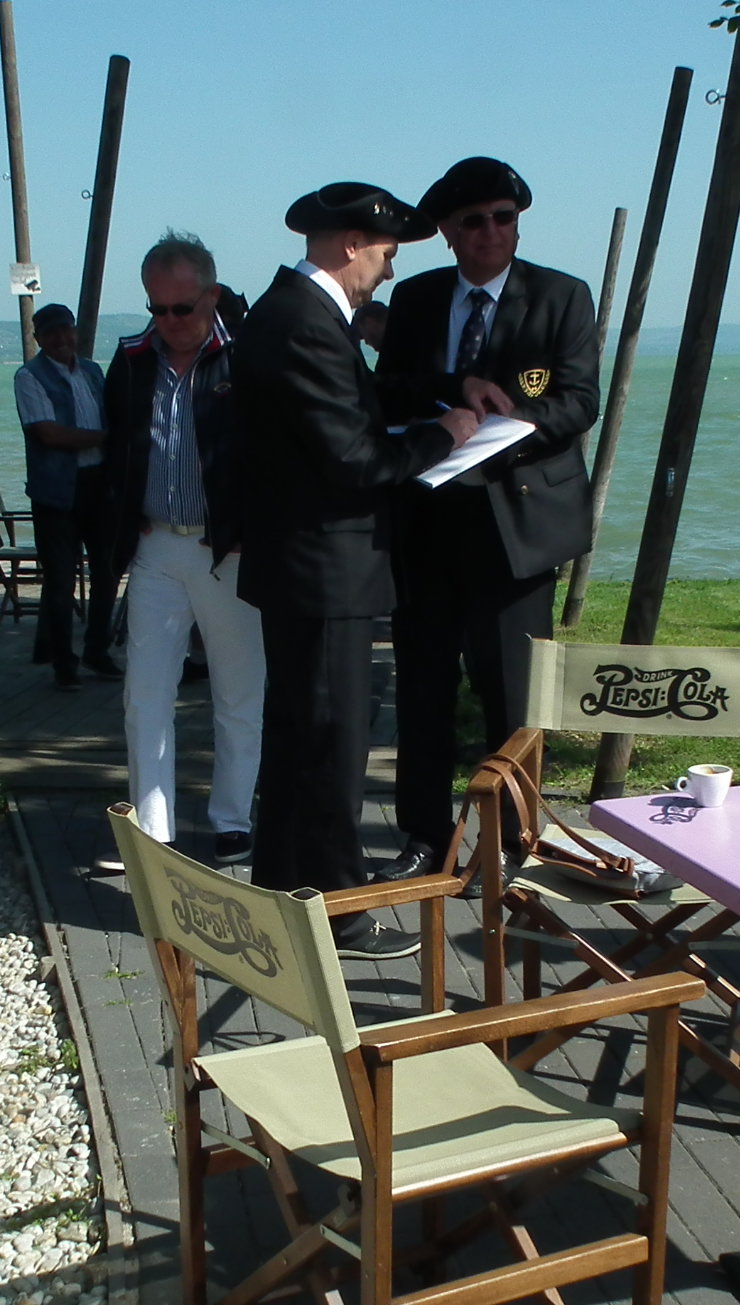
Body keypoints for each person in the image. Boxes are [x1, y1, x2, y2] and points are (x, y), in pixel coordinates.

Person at [232, 182, 478, 960]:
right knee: (332, 745)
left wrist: (443, 392)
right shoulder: (306, 323)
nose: (389, 269)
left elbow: (356, 404)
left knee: (297, 738)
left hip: (302, 566)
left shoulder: (291, 313)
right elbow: (357, 458)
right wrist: (446, 436)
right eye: (386, 253)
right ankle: (337, 910)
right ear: (349, 245)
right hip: (325, 568)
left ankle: (281, 891)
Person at [369, 157, 602, 882]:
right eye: (474, 221)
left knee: (513, 694)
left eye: (505, 217)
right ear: (447, 231)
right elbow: (388, 391)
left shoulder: (561, 296)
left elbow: (579, 401)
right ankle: (424, 838)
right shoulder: (415, 298)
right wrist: (449, 393)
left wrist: (509, 425)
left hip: (517, 526)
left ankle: (513, 842)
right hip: (429, 524)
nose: (491, 232)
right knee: (424, 689)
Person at [100, 232, 261, 864]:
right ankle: (153, 828)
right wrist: (122, 516)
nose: (169, 321)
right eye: (157, 308)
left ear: (212, 296)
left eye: (181, 308)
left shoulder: (244, 358)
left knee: (239, 693)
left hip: (228, 552)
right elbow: (115, 446)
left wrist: (251, 525)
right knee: (144, 693)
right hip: (158, 546)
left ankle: (232, 819)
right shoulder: (132, 359)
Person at [14, 303, 120, 688]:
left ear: (75, 331)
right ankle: (63, 661)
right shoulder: (29, 376)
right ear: (38, 338)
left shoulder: (92, 371)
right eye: (52, 333)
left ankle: (97, 650)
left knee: (108, 571)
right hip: (56, 492)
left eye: (66, 330)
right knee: (60, 578)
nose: (61, 338)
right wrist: (108, 438)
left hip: (98, 484)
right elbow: (48, 433)